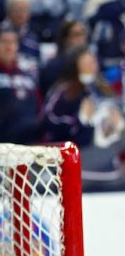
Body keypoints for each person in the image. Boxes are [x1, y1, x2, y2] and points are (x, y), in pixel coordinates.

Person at [44, 47, 125, 190]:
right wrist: (79, 120)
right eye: (86, 62)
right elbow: (50, 121)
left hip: (110, 170)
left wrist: (118, 123)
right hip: (79, 169)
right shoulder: (65, 91)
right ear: (75, 65)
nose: (91, 66)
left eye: (93, 62)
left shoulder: (104, 90)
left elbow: (116, 128)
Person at [0, 27, 42, 144]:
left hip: (30, 141)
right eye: (4, 42)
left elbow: (39, 106)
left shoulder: (27, 76)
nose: (8, 47)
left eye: (12, 42)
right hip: (0, 142)